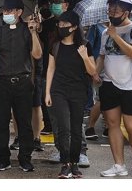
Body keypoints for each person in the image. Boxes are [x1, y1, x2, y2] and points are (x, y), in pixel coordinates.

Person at [0, 0, 42, 172]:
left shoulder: (28, 30)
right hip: (1, 82)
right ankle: (3, 158)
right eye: (5, 10)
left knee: (24, 122)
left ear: (19, 12)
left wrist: (33, 32)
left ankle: (25, 157)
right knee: (1, 122)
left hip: (23, 82)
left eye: (10, 10)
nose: (6, 13)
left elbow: (38, 55)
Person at [96, 0, 132, 178]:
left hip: (130, 85)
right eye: (110, 9)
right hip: (109, 83)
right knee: (112, 124)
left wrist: (116, 35)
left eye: (116, 10)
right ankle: (119, 165)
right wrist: (96, 72)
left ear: (127, 12)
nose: (112, 12)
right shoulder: (105, 33)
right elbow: (102, 56)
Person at [45, 10, 96, 179]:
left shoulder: (85, 45)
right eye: (59, 24)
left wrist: (84, 57)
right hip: (58, 91)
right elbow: (50, 69)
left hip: (78, 92)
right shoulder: (55, 45)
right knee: (64, 128)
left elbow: (93, 72)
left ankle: (74, 164)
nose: (61, 27)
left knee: (75, 128)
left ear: (74, 27)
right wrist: (47, 93)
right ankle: (65, 163)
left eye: (65, 25)